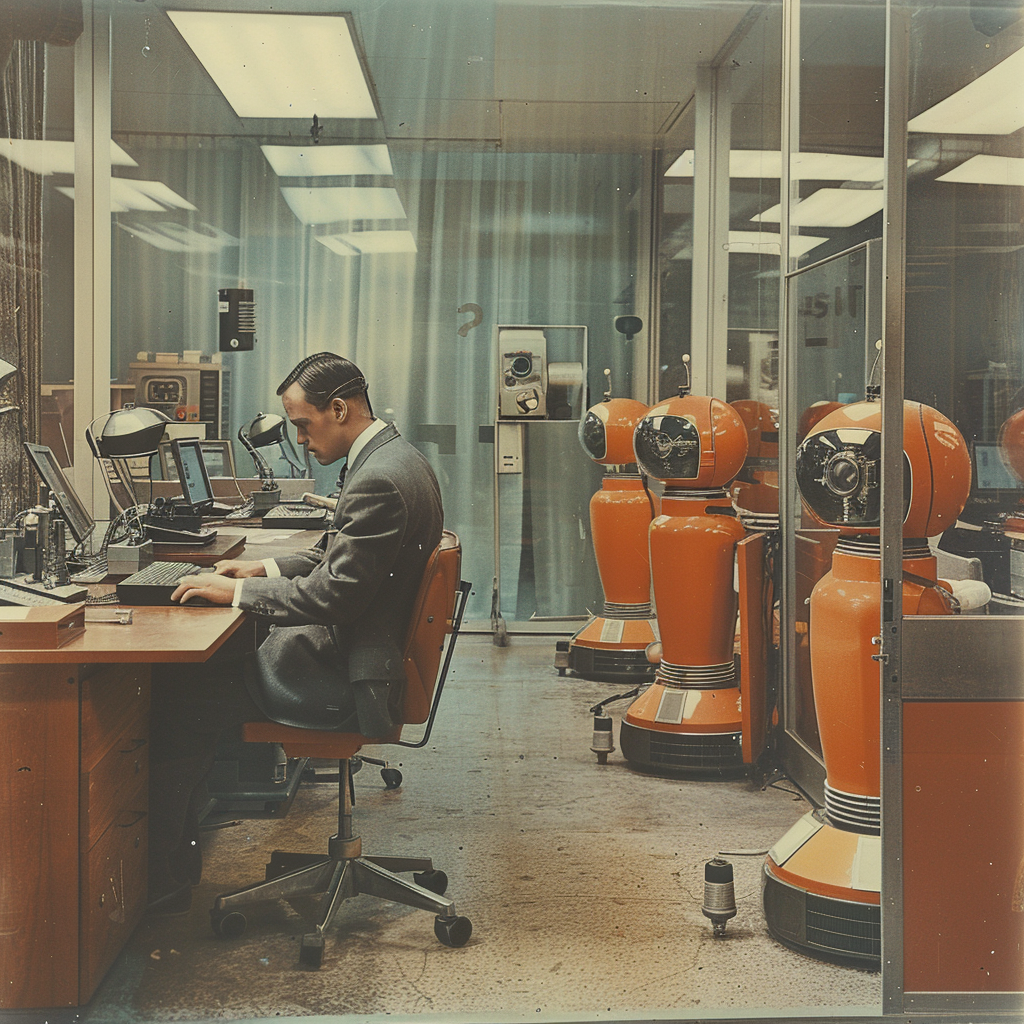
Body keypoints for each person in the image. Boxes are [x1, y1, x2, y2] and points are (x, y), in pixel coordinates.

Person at [147, 351, 444, 913]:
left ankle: (163, 881)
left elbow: (336, 596)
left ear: (339, 408)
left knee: (177, 696)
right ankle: (170, 863)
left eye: (303, 425)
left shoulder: (379, 477)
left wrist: (235, 594)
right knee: (204, 674)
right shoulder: (394, 459)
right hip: (363, 656)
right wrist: (266, 569)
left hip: (350, 680)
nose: (300, 440)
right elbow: (338, 553)